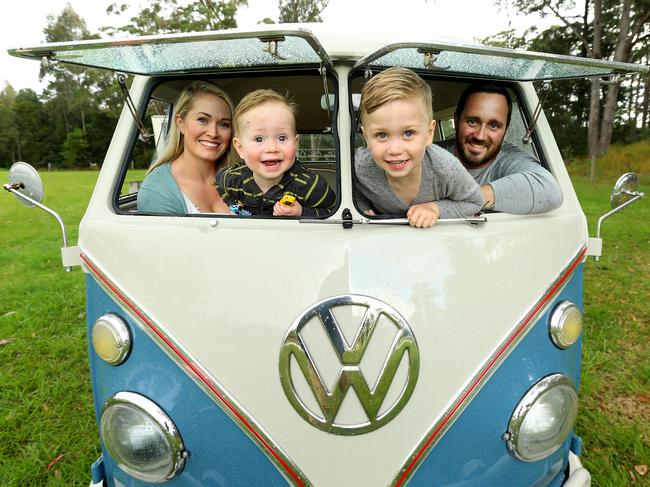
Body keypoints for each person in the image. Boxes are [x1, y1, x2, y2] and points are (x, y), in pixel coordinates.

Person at [354, 67, 483, 228]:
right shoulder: (360, 166)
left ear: (429, 133)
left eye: (408, 133)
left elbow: (475, 201)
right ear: (366, 137)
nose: (394, 150)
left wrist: (435, 208)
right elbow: (355, 189)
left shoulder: (445, 168)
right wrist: (362, 207)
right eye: (381, 135)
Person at [437, 83, 562, 214]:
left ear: (505, 130)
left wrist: (460, 202)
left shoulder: (510, 159)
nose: (480, 136)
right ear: (456, 120)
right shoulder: (429, 154)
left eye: (494, 125)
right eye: (472, 122)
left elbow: (551, 191)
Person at [216, 89, 336, 217]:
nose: (272, 148)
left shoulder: (311, 185)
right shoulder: (231, 178)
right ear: (240, 149)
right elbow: (220, 186)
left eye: (282, 138)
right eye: (259, 139)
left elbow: (333, 213)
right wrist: (234, 206)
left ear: (295, 144)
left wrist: (301, 212)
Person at [137, 81, 236, 214]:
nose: (213, 133)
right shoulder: (157, 190)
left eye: (224, 124)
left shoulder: (240, 178)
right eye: (202, 120)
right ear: (181, 123)